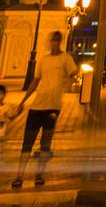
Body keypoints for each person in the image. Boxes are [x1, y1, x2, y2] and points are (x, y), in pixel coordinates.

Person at [12, 31, 77, 189]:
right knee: (27, 142)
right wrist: (23, 101)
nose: (53, 43)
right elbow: (35, 80)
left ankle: (39, 174)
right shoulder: (44, 59)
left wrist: (68, 82)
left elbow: (74, 72)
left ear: (60, 42)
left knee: (45, 143)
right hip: (37, 105)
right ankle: (19, 175)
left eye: (56, 40)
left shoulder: (66, 58)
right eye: (52, 40)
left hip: (53, 107)